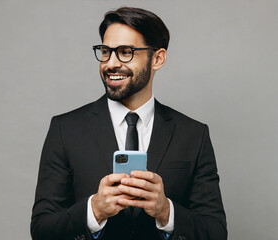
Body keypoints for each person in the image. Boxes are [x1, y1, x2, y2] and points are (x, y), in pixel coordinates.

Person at [31, 7, 227, 240]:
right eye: (106, 51)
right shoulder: (65, 130)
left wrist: (166, 212)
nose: (111, 63)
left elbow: (215, 233)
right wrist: (94, 210)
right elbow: (42, 230)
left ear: (157, 58)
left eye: (126, 52)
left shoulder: (194, 135)